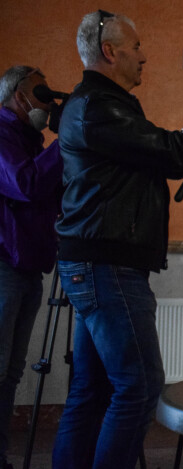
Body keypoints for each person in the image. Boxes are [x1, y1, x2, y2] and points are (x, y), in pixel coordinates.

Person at [52, 10, 183, 469]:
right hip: (107, 265)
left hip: (95, 261)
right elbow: (172, 153)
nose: (144, 56)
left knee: (92, 391)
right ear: (110, 51)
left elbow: (170, 157)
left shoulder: (99, 104)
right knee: (140, 388)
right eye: (136, 47)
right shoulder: (99, 106)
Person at [0, 65, 63, 469]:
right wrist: (65, 141)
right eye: (42, 94)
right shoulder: (2, 135)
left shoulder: (30, 141)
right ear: (18, 96)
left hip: (28, 269)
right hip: (5, 268)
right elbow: (25, 184)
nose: (49, 103)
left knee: (10, 373)